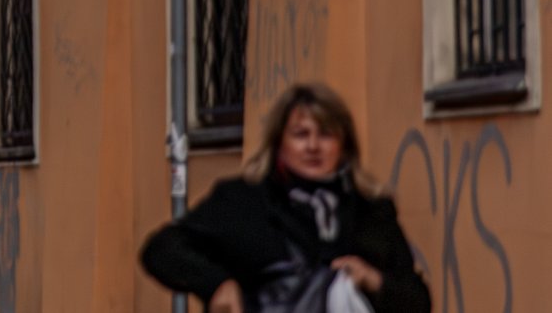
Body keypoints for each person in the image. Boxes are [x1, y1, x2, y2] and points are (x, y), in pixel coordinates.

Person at [140, 82, 431, 313]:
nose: (313, 146)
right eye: (300, 134)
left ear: (344, 146)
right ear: (279, 143)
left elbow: (418, 302)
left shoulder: (370, 210)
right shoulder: (244, 201)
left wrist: (373, 280)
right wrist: (217, 285)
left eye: (326, 134)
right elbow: (163, 249)